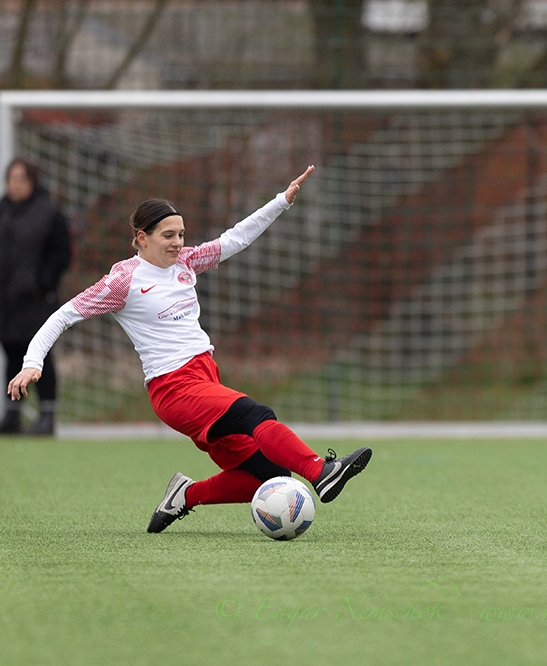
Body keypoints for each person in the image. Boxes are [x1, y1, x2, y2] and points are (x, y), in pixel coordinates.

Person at [7, 165, 372, 533]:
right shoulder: (123, 280)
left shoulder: (185, 263)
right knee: (256, 413)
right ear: (142, 238)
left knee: (270, 473)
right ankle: (320, 471)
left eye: (181, 234)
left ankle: (184, 496)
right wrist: (32, 362)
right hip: (174, 388)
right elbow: (62, 315)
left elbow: (234, 240)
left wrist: (282, 201)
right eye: (168, 235)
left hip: (205, 376)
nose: (178, 242)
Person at [0, 158, 72, 436]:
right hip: (7, 302)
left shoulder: (48, 213)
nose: (15, 184)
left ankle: (47, 415)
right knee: (12, 355)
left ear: (32, 181)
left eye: (21, 179)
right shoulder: (3, 210)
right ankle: (13, 414)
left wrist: (43, 282)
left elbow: (62, 253)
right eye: (11, 178)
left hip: (36, 300)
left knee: (41, 357)